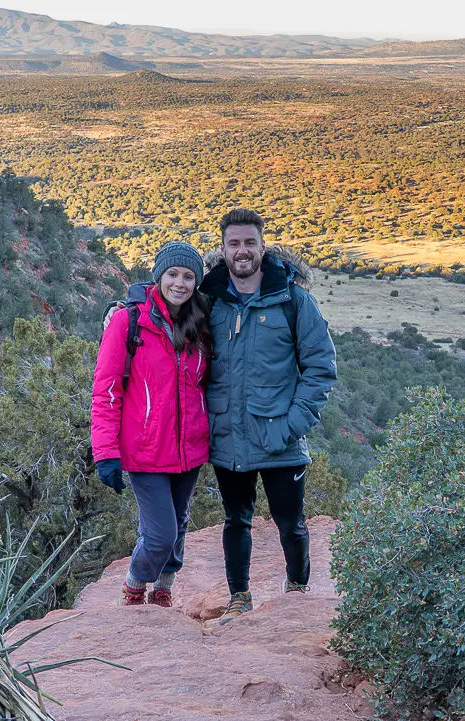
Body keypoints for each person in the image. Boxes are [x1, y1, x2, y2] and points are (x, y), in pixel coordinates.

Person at [201, 207, 336, 623]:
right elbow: (162, 303)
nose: (242, 251)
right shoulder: (210, 301)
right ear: (222, 250)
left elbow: (321, 367)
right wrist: (122, 308)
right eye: (234, 243)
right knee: (235, 520)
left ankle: (296, 589)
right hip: (228, 436)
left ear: (263, 246)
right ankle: (240, 597)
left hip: (280, 437)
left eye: (249, 243)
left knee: (291, 523)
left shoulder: (293, 300)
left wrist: (293, 425)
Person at [90, 241, 213, 607]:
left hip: (189, 447)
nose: (180, 283)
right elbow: (106, 390)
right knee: (160, 533)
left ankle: (163, 587)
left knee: (180, 521)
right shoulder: (129, 322)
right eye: (173, 274)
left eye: (189, 276)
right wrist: (105, 453)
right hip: (144, 448)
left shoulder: (201, 324)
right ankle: (134, 583)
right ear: (158, 276)